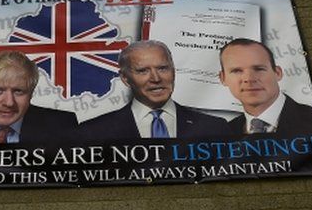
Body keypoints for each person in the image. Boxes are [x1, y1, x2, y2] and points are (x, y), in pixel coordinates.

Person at [81, 40, 230, 139]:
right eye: (143, 71)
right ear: (125, 79)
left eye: (163, 68)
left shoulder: (215, 128)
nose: (156, 78)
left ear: (173, 71)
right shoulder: (94, 132)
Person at [218, 38, 312, 137]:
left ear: (277, 73)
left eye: (259, 69)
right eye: (237, 71)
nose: (249, 78)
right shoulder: (225, 132)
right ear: (223, 78)